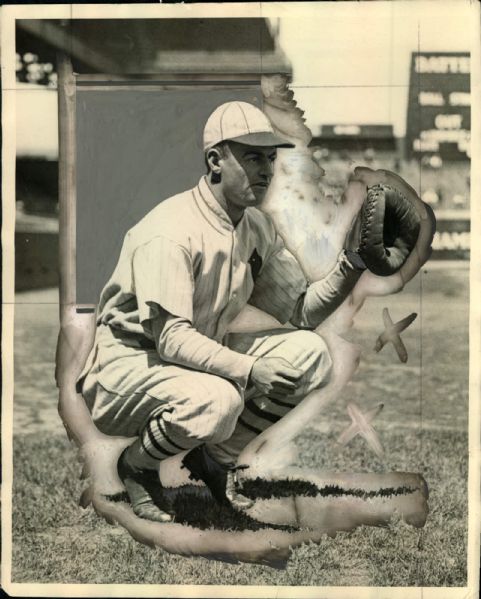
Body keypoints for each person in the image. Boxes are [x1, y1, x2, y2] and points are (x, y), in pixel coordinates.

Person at [78, 101, 367, 522]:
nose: (267, 170)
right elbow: (171, 338)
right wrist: (249, 370)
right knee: (219, 399)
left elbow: (303, 311)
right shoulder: (170, 230)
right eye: (252, 157)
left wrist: (353, 264)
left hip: (188, 360)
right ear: (215, 160)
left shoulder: (255, 226)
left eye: (270, 158)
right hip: (127, 367)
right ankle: (137, 466)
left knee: (310, 353)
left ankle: (215, 461)